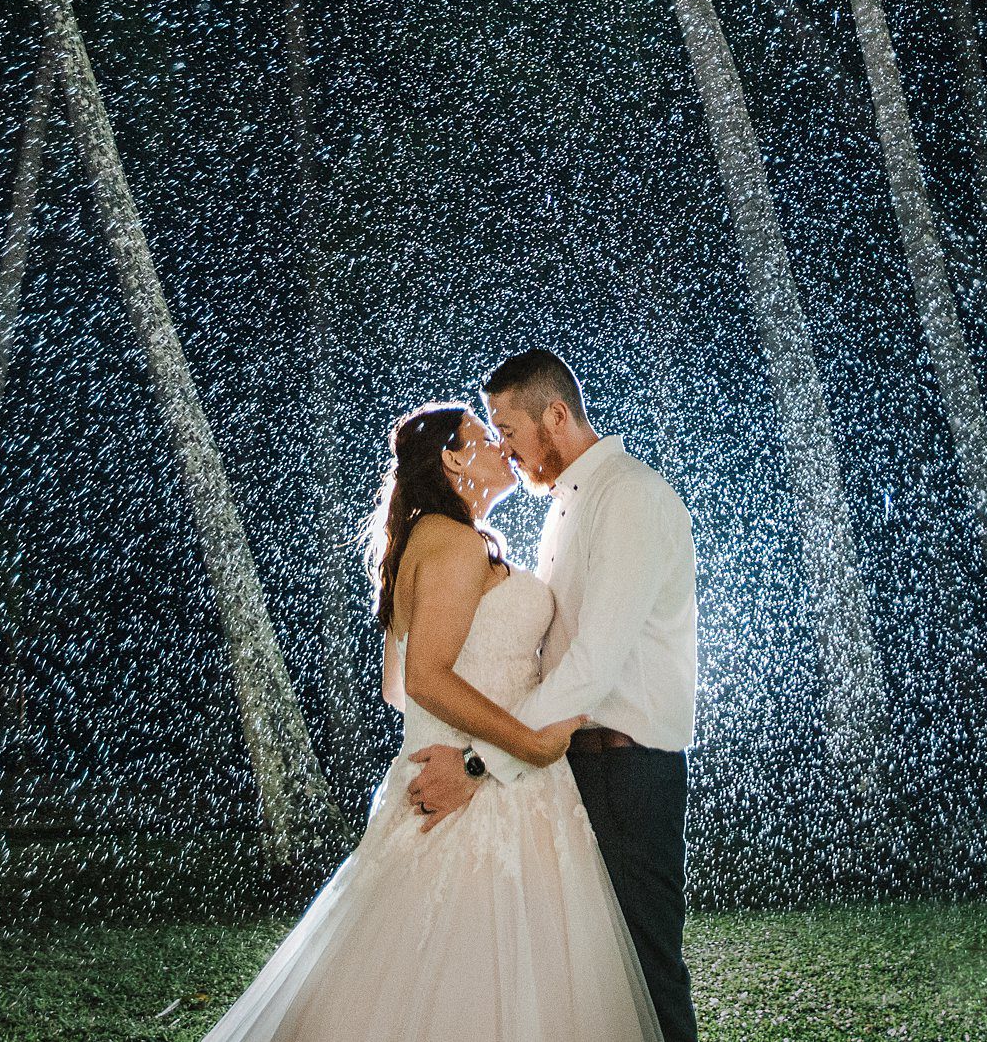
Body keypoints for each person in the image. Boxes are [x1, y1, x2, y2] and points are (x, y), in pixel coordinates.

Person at [199, 389, 665, 1042]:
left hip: (461, 765)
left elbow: (395, 688)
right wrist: (521, 737)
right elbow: (423, 678)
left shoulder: (432, 538)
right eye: (483, 435)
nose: (501, 445)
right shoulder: (451, 543)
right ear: (452, 462)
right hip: (481, 787)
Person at [409, 348, 701, 1042]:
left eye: (506, 429)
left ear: (556, 416)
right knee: (576, 982)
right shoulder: (562, 506)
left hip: (626, 772)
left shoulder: (629, 496)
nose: (504, 450)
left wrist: (478, 761)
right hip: (568, 771)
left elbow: (592, 665)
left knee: (645, 971)